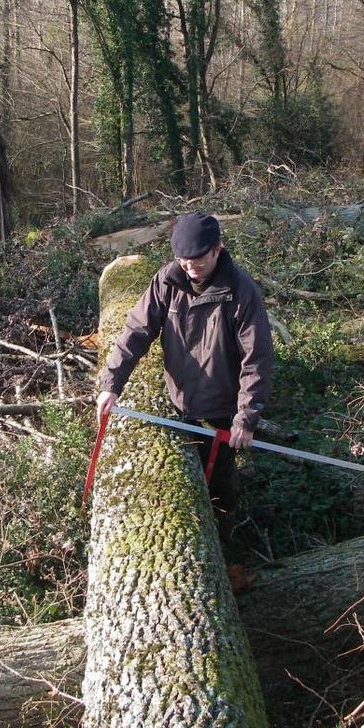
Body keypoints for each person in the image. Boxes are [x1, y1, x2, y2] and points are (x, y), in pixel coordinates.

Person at [96, 212, 274, 535]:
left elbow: (257, 359)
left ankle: (226, 532)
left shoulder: (241, 293)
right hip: (180, 404)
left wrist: (246, 418)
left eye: (198, 260)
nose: (190, 267)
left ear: (217, 249)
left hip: (222, 410)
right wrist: (112, 383)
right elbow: (136, 330)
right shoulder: (167, 281)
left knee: (218, 478)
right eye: (183, 260)